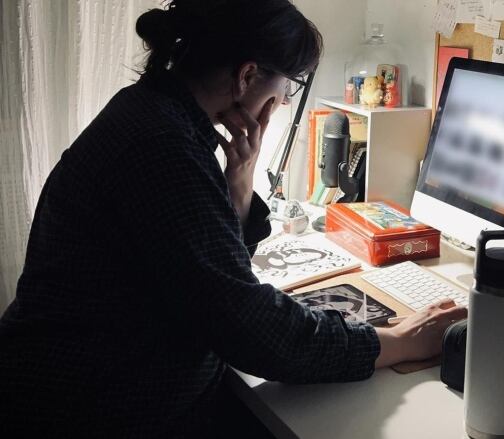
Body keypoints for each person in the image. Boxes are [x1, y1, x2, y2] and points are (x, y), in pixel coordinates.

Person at [0, 1, 467, 437]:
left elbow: (209, 274)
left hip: (88, 379)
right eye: (289, 86)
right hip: (93, 405)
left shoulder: (152, 111)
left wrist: (239, 184)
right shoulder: (164, 150)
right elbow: (247, 328)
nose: (284, 100)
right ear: (247, 75)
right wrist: (398, 342)